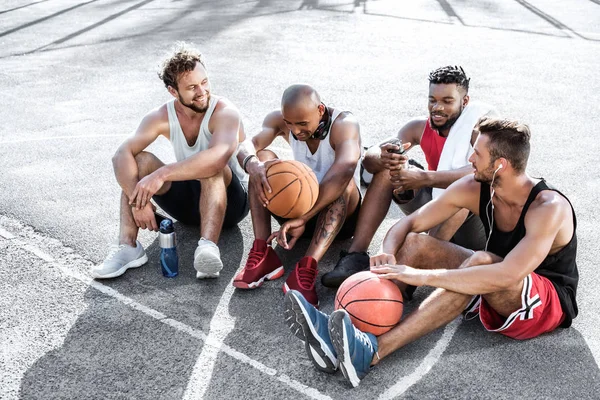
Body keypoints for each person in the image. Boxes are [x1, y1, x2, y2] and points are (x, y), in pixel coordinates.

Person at [284, 116, 578, 387]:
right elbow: (410, 223)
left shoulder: (548, 208)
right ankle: (338, 332)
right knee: (415, 243)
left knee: (480, 262)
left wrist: (421, 276)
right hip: (494, 275)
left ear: (500, 164)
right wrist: (387, 251)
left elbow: (506, 274)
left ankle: (372, 351)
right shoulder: (477, 187)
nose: (470, 158)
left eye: (477, 153)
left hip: (544, 302)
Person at [322, 66, 496, 289]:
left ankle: (414, 267)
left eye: (447, 101)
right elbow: (369, 159)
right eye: (432, 100)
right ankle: (355, 256)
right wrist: (384, 155)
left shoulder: (477, 130)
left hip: (474, 227)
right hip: (436, 208)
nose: (437, 107)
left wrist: (425, 178)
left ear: (465, 101)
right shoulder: (419, 127)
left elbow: (482, 174)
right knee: (389, 167)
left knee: (463, 191)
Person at [92, 42, 249, 279]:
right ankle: (128, 247)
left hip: (230, 203)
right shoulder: (161, 116)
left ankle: (207, 248)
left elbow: (217, 159)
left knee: (211, 168)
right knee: (140, 160)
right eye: (192, 87)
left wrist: (161, 175)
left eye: (204, 82)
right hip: (188, 205)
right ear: (173, 91)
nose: (202, 91)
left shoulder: (225, 111)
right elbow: (121, 154)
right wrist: (139, 200)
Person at [233, 84, 362, 307]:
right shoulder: (281, 121)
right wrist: (251, 163)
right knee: (262, 163)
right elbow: (247, 144)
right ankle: (263, 253)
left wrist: (304, 218)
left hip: (340, 217)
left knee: (345, 183)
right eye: (290, 123)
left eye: (303, 124)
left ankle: (306, 268)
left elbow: (345, 169)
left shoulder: (345, 125)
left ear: (320, 110)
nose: (296, 131)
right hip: (299, 208)